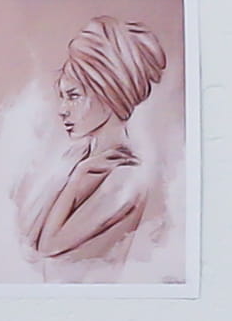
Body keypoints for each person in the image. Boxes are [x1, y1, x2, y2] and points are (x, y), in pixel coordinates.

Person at [15, 14, 172, 270]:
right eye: (62, 97)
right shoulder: (76, 156)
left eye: (73, 96)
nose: (62, 110)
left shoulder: (126, 177)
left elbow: (47, 246)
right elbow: (28, 238)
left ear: (108, 95)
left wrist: (76, 180)